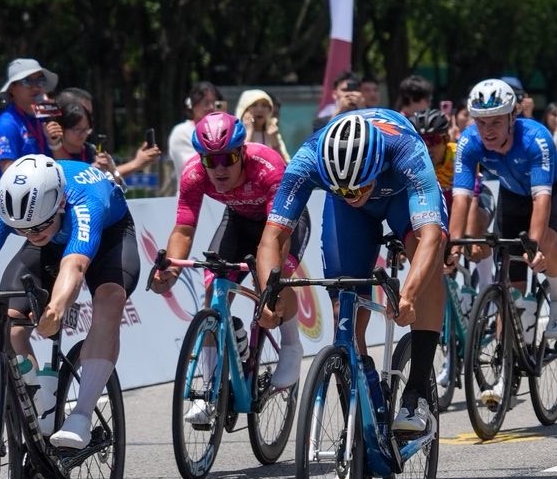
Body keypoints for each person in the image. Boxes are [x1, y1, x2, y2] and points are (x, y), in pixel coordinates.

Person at [0, 154, 138, 450]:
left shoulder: (85, 199)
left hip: (110, 238)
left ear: (59, 204)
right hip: (53, 244)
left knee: (109, 299)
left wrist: (55, 308)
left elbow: (76, 267)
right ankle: (37, 406)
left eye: (38, 226)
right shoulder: (10, 208)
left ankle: (81, 415)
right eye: (21, 229)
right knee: (10, 323)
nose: (30, 234)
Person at [257, 108, 447, 438]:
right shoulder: (310, 159)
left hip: (401, 197)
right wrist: (267, 295)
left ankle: (417, 394)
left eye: (360, 187)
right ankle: (360, 416)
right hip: (347, 216)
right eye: (345, 190)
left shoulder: (405, 149)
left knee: (425, 252)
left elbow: (431, 234)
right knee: (343, 306)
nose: (354, 195)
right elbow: (273, 237)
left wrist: (409, 295)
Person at [148, 111, 307, 421]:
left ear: (242, 152)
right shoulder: (194, 174)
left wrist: (271, 286)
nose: (219, 168)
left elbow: (277, 238)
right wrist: (172, 271)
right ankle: (208, 391)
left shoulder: (268, 168)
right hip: (238, 220)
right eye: (210, 160)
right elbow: (183, 229)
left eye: (228, 158)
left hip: (283, 223)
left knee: (272, 283)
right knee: (213, 294)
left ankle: (291, 345)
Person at [450, 78, 557, 340]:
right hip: (513, 194)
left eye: (496, 121)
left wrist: (535, 246)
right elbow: (460, 198)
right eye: (481, 122)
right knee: (510, 273)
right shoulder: (469, 141)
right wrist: (452, 244)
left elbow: (541, 200)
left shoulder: (534, 137)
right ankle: (510, 352)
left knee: (547, 241)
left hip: (555, 189)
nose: (488, 130)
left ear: (512, 116)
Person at [0, 57, 55, 179]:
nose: (35, 87)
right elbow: (9, 175)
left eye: (40, 81)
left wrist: (55, 144)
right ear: (12, 88)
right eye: (27, 81)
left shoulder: (44, 118)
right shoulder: (7, 124)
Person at [165, 82, 223, 174]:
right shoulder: (181, 132)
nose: (212, 107)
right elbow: (192, 166)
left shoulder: (223, 130)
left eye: (215, 103)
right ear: (193, 104)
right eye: (206, 103)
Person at [236, 88, 285, 155]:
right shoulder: (235, 134)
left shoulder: (274, 134)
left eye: (264, 105)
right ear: (244, 110)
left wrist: (274, 141)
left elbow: (283, 164)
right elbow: (238, 159)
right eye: (254, 105)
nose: (260, 109)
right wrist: (249, 131)